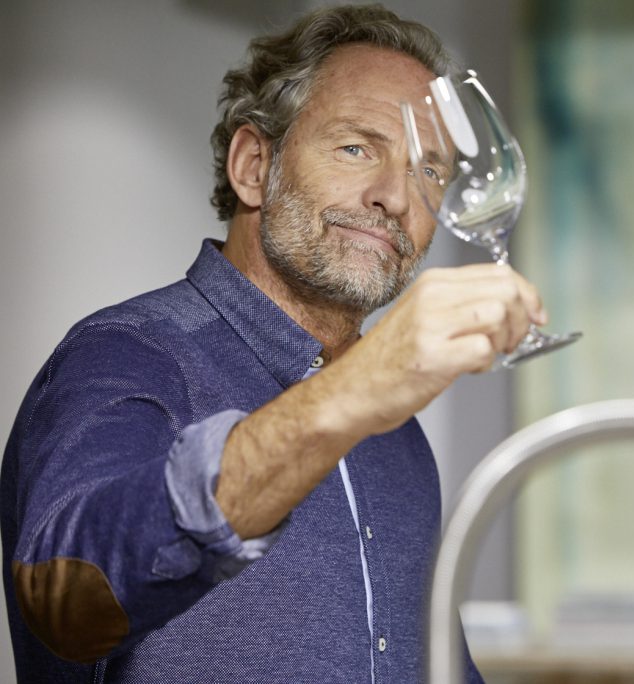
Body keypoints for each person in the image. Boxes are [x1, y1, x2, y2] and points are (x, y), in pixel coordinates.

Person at [1, 5, 544, 682]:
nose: (398, 199)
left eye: (430, 171)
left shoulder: (395, 431)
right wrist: (353, 394)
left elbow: (430, 661)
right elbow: (68, 602)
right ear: (255, 165)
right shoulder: (122, 355)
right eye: (357, 148)